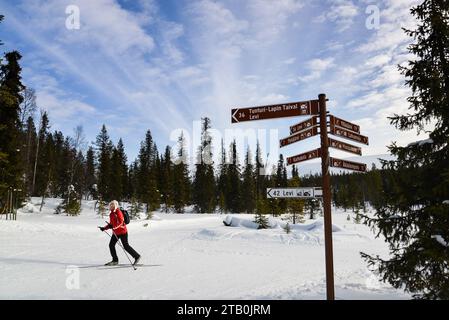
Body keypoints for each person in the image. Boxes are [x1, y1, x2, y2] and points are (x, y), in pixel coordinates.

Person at [99, 200, 141, 266]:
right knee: (111, 245)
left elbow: (121, 222)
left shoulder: (118, 212)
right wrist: (104, 228)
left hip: (122, 232)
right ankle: (115, 260)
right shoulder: (111, 213)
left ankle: (137, 256)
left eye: (112, 204)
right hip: (116, 233)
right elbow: (111, 224)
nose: (111, 206)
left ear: (115, 205)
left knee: (126, 246)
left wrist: (113, 226)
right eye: (110, 204)